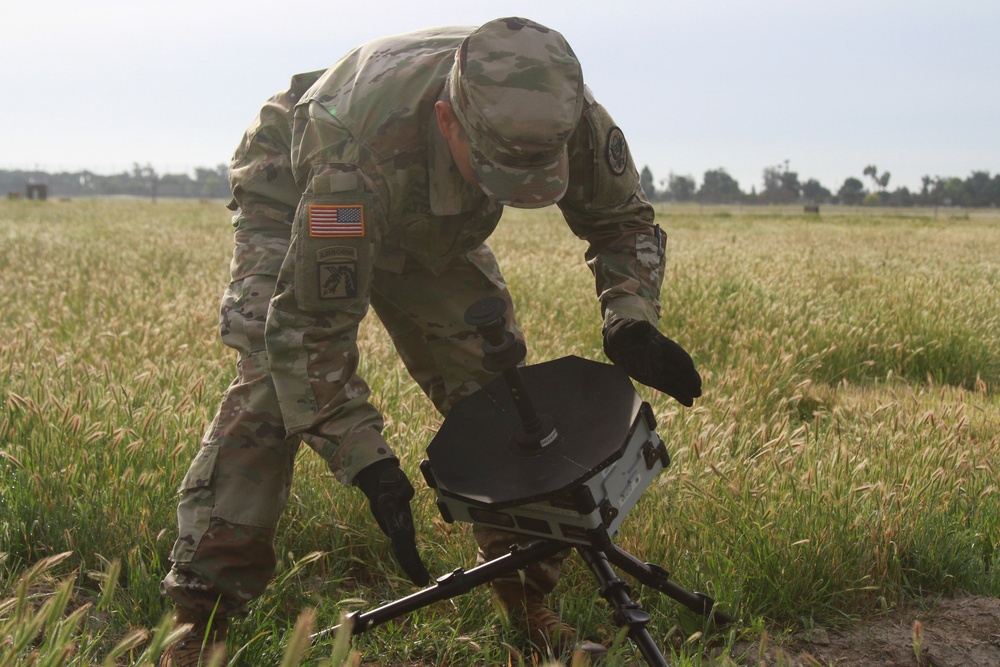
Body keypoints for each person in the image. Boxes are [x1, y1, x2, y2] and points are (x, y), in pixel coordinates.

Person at [158, 16, 702, 667]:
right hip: (297, 177)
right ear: (450, 122)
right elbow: (309, 333)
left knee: (502, 399)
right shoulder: (347, 167)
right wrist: (369, 463)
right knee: (271, 391)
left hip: (435, 219)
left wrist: (630, 318)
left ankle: (526, 604)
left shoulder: (565, 112)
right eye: (501, 171)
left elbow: (621, 222)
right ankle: (200, 619)